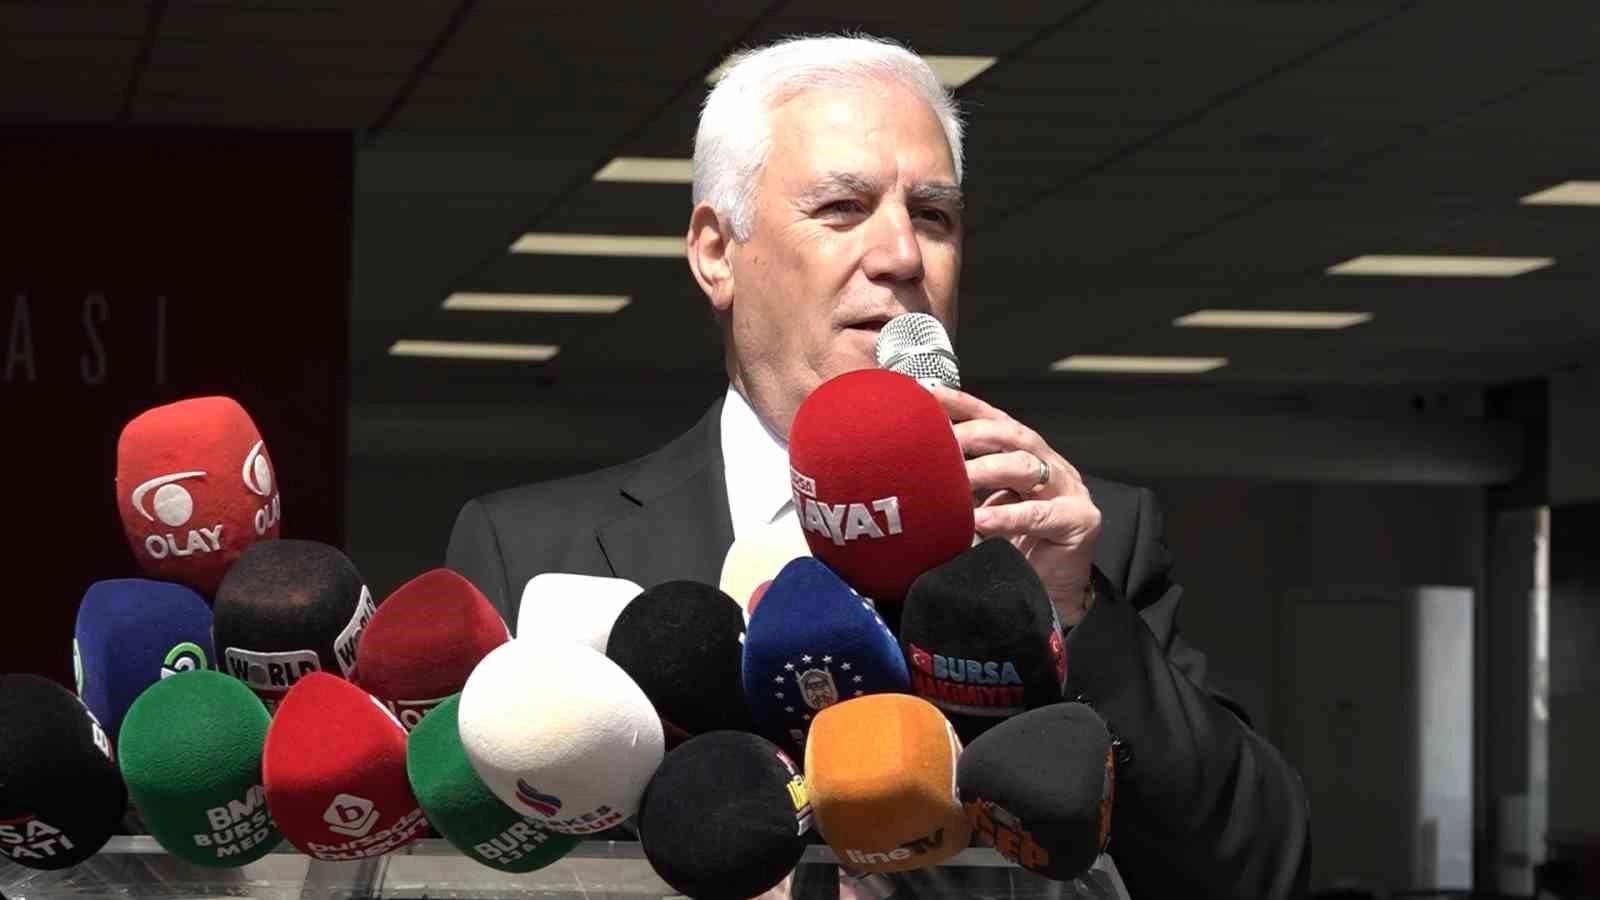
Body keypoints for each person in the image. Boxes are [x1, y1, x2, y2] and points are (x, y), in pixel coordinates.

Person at [446, 33, 1310, 900]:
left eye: (932, 215)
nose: (902, 255)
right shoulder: (532, 552)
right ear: (716, 252)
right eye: (842, 208)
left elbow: (1254, 869)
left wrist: (1073, 617)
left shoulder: (1082, 540)